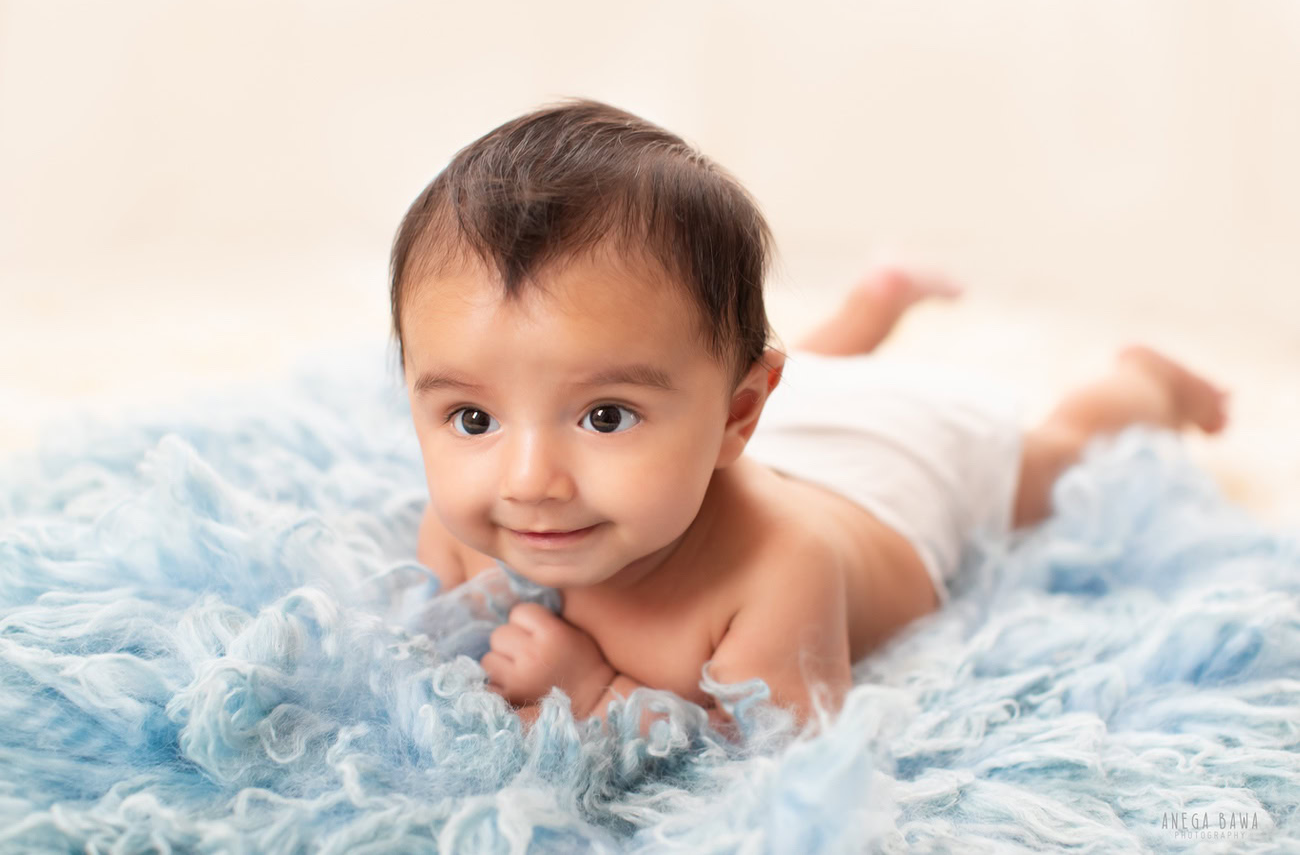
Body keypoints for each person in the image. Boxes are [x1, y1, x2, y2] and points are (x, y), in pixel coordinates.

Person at [393, 97, 1230, 739]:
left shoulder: (775, 569)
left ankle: (1144, 383)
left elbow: (780, 751)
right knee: (794, 367)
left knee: (1059, 456)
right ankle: (877, 302)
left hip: (905, 478)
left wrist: (597, 695)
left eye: (606, 416)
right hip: (791, 422)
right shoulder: (472, 520)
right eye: (472, 419)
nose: (529, 480)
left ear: (739, 415)